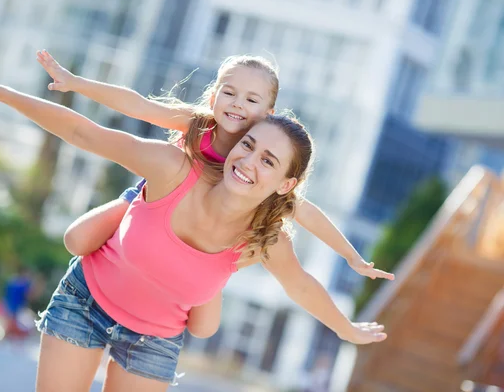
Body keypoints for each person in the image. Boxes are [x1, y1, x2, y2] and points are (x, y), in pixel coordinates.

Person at [0, 57, 388, 392]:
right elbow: (88, 131)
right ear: (215, 96)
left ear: (286, 183)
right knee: (78, 237)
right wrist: (1, 91)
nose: (249, 158)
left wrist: (348, 310)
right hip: (91, 295)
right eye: (248, 145)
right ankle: (131, 213)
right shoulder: (190, 142)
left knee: (204, 320)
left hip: (154, 337)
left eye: (267, 159)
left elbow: (303, 283)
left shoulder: (268, 230)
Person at [36, 50, 395, 283]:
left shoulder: (259, 154)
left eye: (251, 99)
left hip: (204, 233)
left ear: (267, 113)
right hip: (151, 207)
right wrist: (76, 84)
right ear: (213, 94)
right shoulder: (198, 123)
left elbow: (307, 213)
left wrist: (352, 257)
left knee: (201, 307)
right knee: (76, 239)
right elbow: (138, 105)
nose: (237, 104)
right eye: (229, 92)